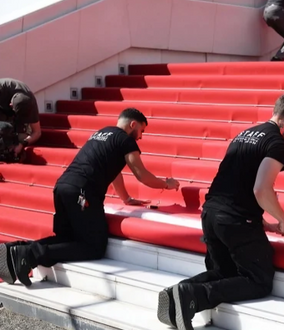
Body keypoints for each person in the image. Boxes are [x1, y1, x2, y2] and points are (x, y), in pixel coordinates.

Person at [157, 93, 284, 330]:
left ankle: (176, 293)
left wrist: (262, 221)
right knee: (258, 280)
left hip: (211, 213)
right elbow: (261, 188)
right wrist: (283, 220)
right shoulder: (278, 143)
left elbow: (237, 181)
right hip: (234, 220)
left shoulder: (243, 135)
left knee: (224, 272)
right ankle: (192, 296)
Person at [0, 109, 180, 287]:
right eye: (141, 130)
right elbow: (141, 174)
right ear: (133, 124)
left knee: (67, 238)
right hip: (82, 192)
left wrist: (126, 198)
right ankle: (28, 255)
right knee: (93, 246)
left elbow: (114, 173)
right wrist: (166, 184)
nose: (140, 137)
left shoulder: (101, 134)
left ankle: (15, 250)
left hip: (63, 187)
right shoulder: (126, 140)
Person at [0, 78, 42, 162]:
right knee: (4, 127)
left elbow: (37, 132)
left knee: (20, 136)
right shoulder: (2, 88)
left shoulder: (31, 104)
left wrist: (22, 144)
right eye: (12, 107)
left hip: (15, 118)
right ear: (11, 103)